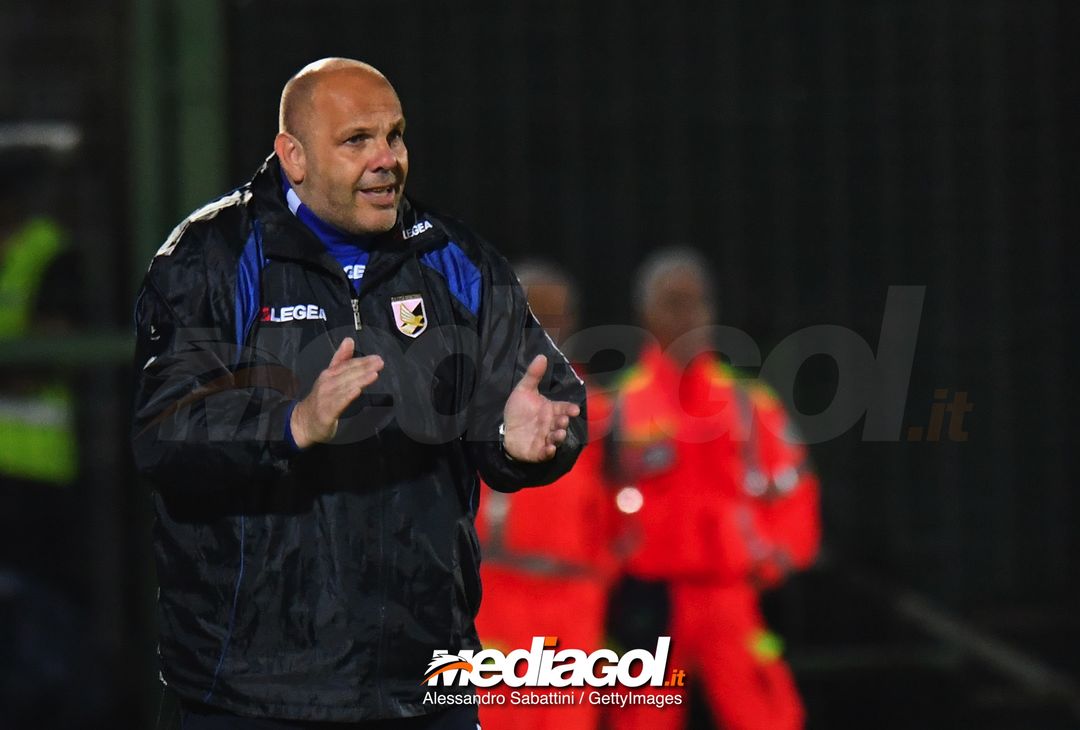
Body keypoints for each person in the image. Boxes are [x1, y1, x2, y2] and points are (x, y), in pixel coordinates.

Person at [131, 58, 587, 729]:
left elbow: (548, 403)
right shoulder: (211, 259)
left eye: (394, 136)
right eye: (357, 141)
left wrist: (518, 442)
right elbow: (164, 434)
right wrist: (290, 424)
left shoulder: (453, 258)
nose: (386, 159)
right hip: (254, 694)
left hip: (427, 685)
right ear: (293, 156)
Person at [605, 248, 820, 730]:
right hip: (651, 599)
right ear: (645, 314)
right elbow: (591, 506)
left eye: (697, 303)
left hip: (733, 598)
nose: (687, 316)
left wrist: (777, 558)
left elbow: (795, 489)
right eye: (672, 302)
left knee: (766, 716)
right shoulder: (616, 409)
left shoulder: (749, 405)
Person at [472, 261, 619, 730]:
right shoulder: (465, 399)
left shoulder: (601, 409)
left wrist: (600, 573)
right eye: (535, 313)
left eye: (558, 316)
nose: (548, 328)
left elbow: (624, 503)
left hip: (573, 598)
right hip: (493, 592)